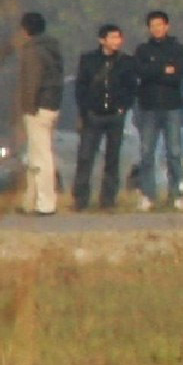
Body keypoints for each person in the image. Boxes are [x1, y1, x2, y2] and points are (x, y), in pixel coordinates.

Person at [73, 24, 137, 211]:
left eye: (119, 37)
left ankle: (108, 200)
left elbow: (131, 88)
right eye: (112, 37)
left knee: (112, 158)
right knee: (85, 157)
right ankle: (81, 199)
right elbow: (81, 87)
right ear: (102, 40)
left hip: (115, 116)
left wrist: (123, 107)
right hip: (93, 115)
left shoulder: (126, 61)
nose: (116, 41)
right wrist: (85, 110)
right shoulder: (88, 60)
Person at [134, 10, 183, 212]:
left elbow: (177, 76)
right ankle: (148, 194)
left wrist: (153, 70)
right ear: (149, 28)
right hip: (148, 107)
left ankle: (176, 193)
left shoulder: (177, 49)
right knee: (147, 152)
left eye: (160, 25)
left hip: (172, 106)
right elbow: (140, 72)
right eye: (153, 25)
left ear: (167, 26)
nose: (157, 28)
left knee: (174, 151)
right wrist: (162, 69)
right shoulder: (142, 49)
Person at [17, 12, 63, 216]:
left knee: (41, 156)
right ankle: (31, 200)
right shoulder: (52, 48)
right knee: (35, 155)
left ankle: (46, 203)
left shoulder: (32, 52)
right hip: (51, 105)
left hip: (37, 107)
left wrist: (27, 107)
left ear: (26, 30)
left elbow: (32, 82)